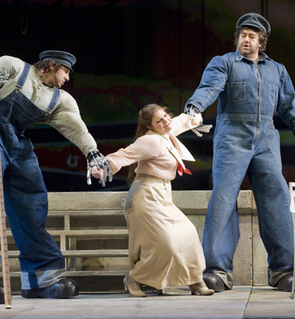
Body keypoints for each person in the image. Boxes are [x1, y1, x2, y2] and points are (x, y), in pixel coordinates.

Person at [0, 50, 111, 303]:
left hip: (18, 140)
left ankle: (42, 278)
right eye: (65, 71)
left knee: (32, 200)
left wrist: (92, 152)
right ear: (51, 66)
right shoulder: (13, 66)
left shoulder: (60, 99)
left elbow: (77, 128)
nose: (68, 77)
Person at [184, 13, 295, 292]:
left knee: (277, 198)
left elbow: (290, 106)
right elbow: (209, 88)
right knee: (223, 198)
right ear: (237, 38)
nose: (246, 39)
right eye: (242, 34)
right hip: (232, 134)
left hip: (266, 137)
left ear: (261, 41)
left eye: (252, 35)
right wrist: (195, 108)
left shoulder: (277, 70)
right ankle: (217, 270)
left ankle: (285, 270)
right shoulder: (224, 63)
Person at [92, 103, 214, 297]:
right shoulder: (150, 141)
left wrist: (195, 117)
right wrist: (101, 166)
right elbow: (124, 154)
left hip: (163, 195)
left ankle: (195, 282)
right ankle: (133, 279)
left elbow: (182, 121)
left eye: (165, 116)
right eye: (159, 120)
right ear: (150, 126)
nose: (166, 121)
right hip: (146, 197)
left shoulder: (166, 128)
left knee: (189, 234)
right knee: (167, 244)